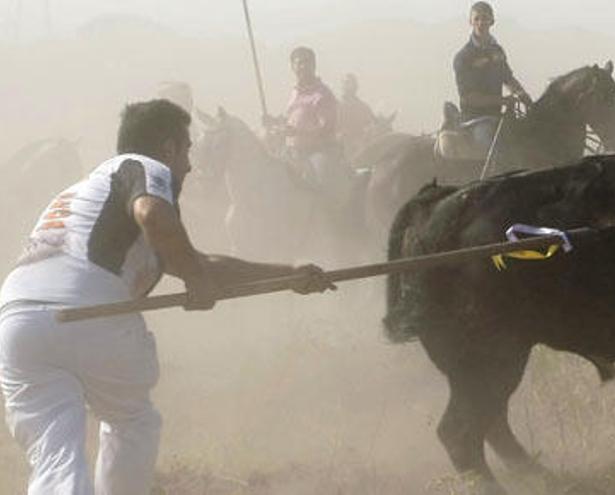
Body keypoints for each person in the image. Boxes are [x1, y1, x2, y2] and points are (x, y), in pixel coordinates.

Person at [0, 99, 334, 495]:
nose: (190, 166)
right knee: (132, 421)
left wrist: (288, 276)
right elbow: (155, 216)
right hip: (91, 311)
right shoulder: (141, 167)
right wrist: (196, 279)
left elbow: (201, 263)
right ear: (168, 147)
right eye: (187, 150)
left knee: (55, 455)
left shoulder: (87, 195)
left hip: (17, 324)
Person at [265, 46, 350, 199]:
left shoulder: (322, 94)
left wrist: (297, 132)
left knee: (323, 186)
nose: (302, 67)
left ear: (314, 65)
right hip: (291, 152)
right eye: (298, 63)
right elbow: (292, 119)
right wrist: (274, 122)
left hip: (318, 152)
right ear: (292, 67)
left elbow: (326, 128)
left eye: (306, 63)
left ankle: (332, 219)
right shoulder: (294, 93)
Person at [452, 1, 532, 150]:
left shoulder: (497, 51)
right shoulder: (463, 57)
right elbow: (468, 97)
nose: (481, 22)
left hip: (497, 117)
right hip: (476, 121)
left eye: (485, 18)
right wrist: (502, 101)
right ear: (470, 22)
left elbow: (507, 78)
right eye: (477, 19)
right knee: (496, 151)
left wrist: (524, 96)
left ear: (492, 21)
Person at [337, 73, 376, 158]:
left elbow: (372, 124)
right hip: (339, 147)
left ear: (355, 86)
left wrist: (363, 138)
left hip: (360, 147)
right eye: (345, 83)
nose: (347, 85)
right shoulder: (336, 105)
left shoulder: (363, 107)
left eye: (349, 83)